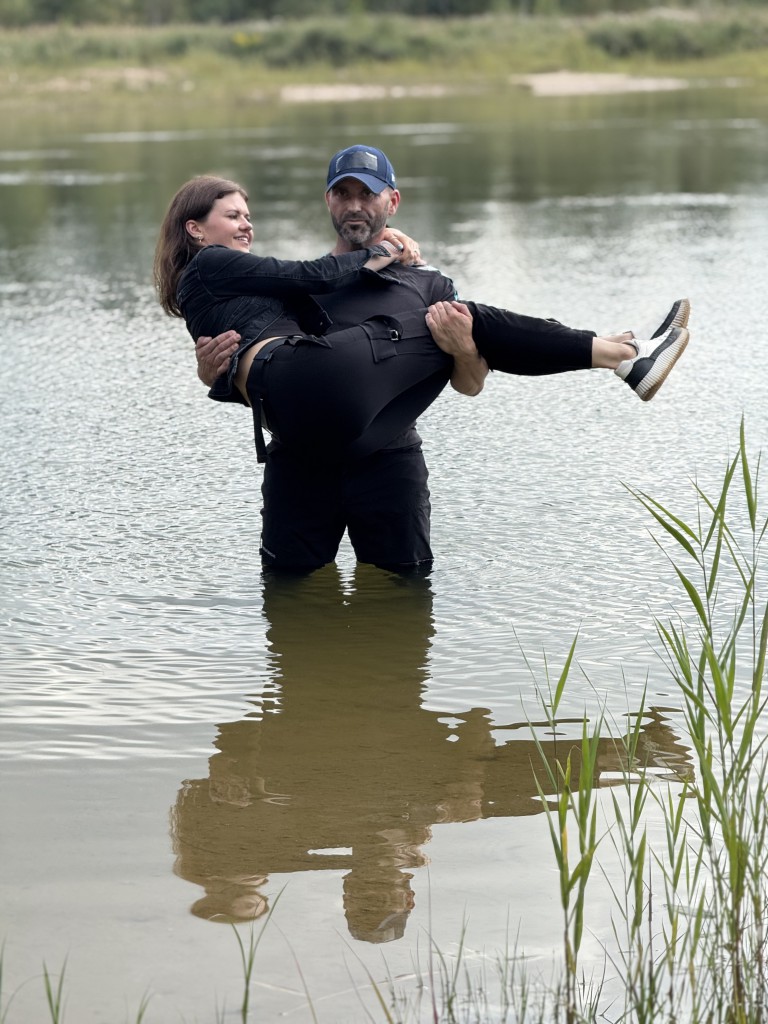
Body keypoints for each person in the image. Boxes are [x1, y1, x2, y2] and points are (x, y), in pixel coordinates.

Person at [155, 151, 690, 572]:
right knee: (290, 592)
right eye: (343, 193)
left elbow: (470, 384)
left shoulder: (428, 283)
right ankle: (623, 354)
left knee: (402, 596)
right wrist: (213, 374)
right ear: (328, 201)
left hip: (387, 457)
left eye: (367, 193)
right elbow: (267, 348)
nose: (355, 205)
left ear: (392, 200)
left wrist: (461, 347)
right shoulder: (296, 284)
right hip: (301, 459)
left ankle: (623, 353)